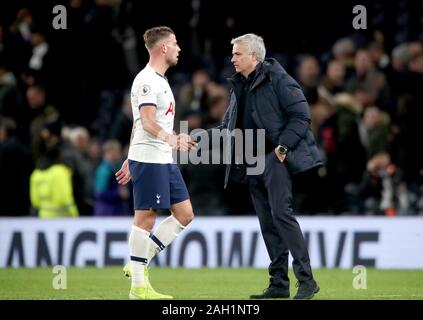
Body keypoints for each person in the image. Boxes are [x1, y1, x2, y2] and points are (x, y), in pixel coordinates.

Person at [195, 34, 322, 299]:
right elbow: (226, 129)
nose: (232, 58)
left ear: (254, 56)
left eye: (237, 54)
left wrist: (282, 149)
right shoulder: (240, 86)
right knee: (268, 223)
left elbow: (301, 116)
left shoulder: (279, 79)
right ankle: (278, 284)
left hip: (274, 158)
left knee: (281, 215)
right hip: (251, 162)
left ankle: (306, 280)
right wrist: (196, 138)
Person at [114, 26, 196, 300]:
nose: (178, 48)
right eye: (175, 43)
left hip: (160, 157)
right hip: (151, 158)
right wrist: (171, 140)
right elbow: (147, 121)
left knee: (185, 214)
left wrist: (129, 155)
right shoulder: (147, 80)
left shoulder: (160, 79)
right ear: (163, 48)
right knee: (146, 219)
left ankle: (138, 262)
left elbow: (143, 124)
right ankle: (138, 287)